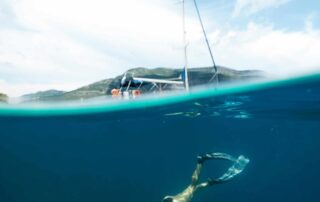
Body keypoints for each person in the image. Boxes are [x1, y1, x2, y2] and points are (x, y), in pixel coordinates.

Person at [163, 153, 250, 202]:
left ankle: (201, 161)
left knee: (193, 186)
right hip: (175, 198)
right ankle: (210, 181)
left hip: (181, 199)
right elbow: (167, 198)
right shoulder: (167, 198)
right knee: (195, 187)